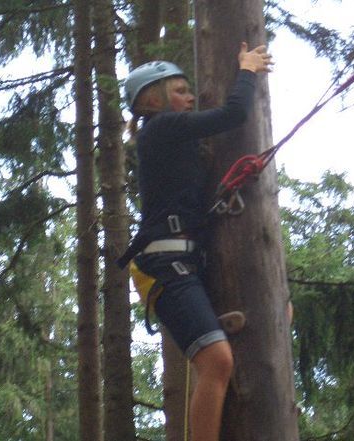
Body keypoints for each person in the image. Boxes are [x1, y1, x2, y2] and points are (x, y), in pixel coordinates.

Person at [119, 43, 273, 441]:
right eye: (180, 91)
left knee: (275, 313)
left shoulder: (172, 141)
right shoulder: (162, 128)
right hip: (166, 267)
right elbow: (234, 114)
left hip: (187, 262)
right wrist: (248, 69)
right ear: (154, 99)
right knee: (217, 360)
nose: (190, 98)